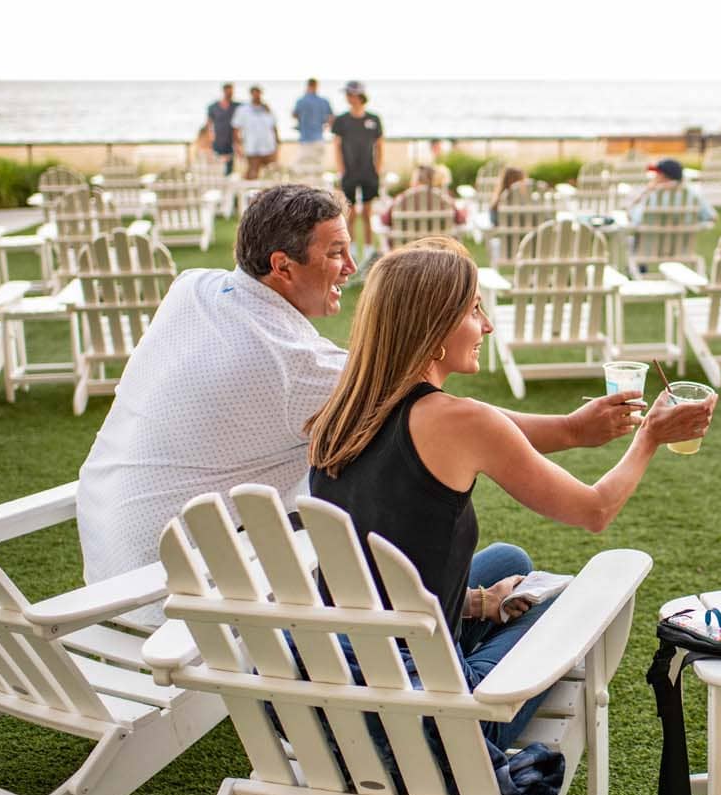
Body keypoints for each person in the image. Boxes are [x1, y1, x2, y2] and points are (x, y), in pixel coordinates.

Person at [75, 185, 648, 626]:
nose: (351, 269)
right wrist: (574, 430)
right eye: (337, 253)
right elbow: (452, 424)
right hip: (172, 576)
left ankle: (466, 605)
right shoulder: (295, 366)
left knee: (498, 560)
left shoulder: (197, 285)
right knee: (556, 601)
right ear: (281, 266)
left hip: (106, 544)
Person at [305, 236, 714, 753]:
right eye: (475, 310)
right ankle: (482, 676)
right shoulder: (460, 421)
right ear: (433, 330)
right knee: (564, 597)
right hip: (439, 716)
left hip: (339, 674)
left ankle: (476, 611)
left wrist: (574, 428)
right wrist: (649, 437)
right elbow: (595, 510)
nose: (488, 326)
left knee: (508, 560)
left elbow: (543, 430)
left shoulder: (343, 410)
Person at [332, 81, 385, 266]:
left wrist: (377, 169)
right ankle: (351, 251)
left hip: (369, 173)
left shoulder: (374, 119)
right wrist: (341, 169)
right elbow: (337, 146)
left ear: (358, 95)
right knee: (351, 214)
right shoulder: (342, 120)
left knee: (367, 214)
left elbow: (379, 146)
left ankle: (369, 252)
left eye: (350, 93)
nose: (347, 97)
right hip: (350, 174)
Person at [626, 158, 715, 225]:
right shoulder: (692, 194)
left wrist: (646, 191)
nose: (654, 177)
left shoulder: (653, 195)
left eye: (657, 174)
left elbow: (631, 217)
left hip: (650, 248)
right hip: (683, 249)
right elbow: (711, 217)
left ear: (663, 176)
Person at [231, 85, 280, 179]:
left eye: (258, 93)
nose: (257, 95)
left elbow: (274, 127)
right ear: (251, 94)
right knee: (252, 174)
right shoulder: (243, 110)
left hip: (269, 147)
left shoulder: (267, 109)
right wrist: (237, 145)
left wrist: (277, 145)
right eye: (254, 93)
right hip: (252, 148)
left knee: (271, 174)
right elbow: (236, 128)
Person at [292, 78, 334, 170]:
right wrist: (326, 126)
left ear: (307, 86)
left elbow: (294, 114)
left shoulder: (301, 101)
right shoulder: (324, 101)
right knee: (318, 168)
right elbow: (331, 118)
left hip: (305, 139)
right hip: (319, 138)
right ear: (317, 86)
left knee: (302, 169)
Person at [206, 82, 240, 176]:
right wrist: (210, 138)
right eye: (228, 91)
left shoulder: (237, 106)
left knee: (230, 169)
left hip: (231, 142)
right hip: (218, 141)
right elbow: (208, 124)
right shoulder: (213, 107)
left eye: (231, 92)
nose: (230, 94)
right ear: (224, 91)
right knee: (216, 168)